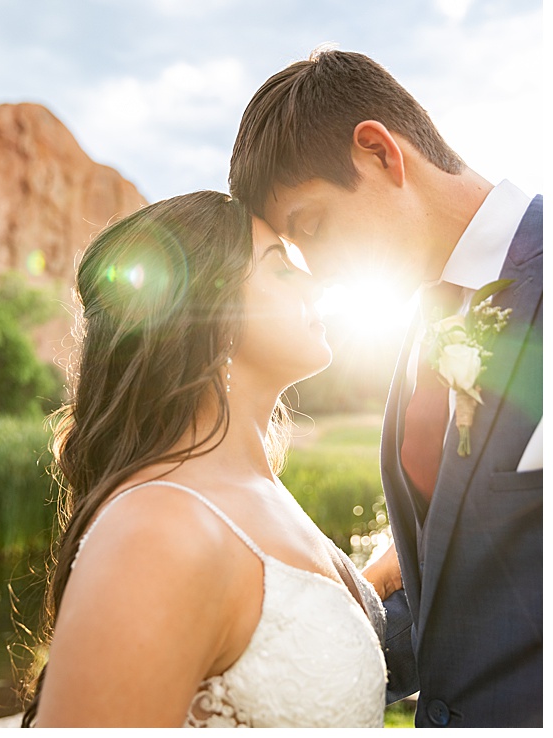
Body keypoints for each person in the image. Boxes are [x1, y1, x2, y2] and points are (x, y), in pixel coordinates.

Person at [229, 48, 542, 727]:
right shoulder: (418, 338)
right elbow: (459, 597)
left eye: (311, 227)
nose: (320, 274)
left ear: (378, 152)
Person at [23, 190, 396, 727]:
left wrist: (372, 585)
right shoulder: (155, 530)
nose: (317, 283)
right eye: (282, 270)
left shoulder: (259, 488)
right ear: (210, 316)